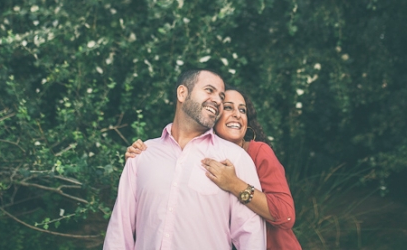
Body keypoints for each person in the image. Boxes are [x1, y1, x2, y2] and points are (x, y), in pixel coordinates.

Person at [103, 69, 266, 250]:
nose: (218, 101)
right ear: (182, 93)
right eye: (209, 90)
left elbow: (251, 235)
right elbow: (120, 231)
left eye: (220, 96)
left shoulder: (234, 158)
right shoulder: (142, 155)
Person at [127, 87, 302, 250]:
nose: (237, 115)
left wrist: (234, 184)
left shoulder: (258, 153)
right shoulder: (196, 155)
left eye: (242, 110)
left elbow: (286, 215)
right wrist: (141, 158)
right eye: (228, 108)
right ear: (213, 115)